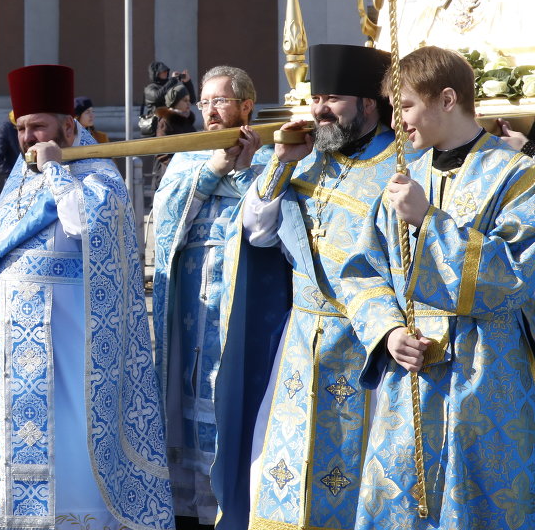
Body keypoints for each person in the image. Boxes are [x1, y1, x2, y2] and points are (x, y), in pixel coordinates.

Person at [0, 64, 173, 530]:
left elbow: (85, 226)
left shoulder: (100, 174)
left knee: (69, 445)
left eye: (37, 125)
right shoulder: (19, 180)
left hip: (68, 350)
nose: (27, 137)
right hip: (4, 356)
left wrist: (59, 170)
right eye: (20, 127)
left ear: (69, 126)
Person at [335, 46, 535, 528]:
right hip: (411, 382)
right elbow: (363, 272)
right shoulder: (403, 179)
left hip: (486, 381)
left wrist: (430, 221)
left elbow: (514, 278)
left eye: (404, 105)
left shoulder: (517, 177)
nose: (397, 119)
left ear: (447, 99)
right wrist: (386, 332)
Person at [213, 44, 401, 530]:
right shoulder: (309, 159)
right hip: (300, 340)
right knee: (282, 468)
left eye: (332, 98)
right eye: (315, 98)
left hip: (367, 348)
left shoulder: (401, 168)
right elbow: (257, 229)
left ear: (368, 104)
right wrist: (281, 163)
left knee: (357, 473)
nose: (318, 110)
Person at [151, 65, 266, 529]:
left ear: (246, 107)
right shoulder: (184, 156)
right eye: (205, 102)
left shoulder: (266, 158)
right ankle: (191, 510)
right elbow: (163, 218)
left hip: (239, 299)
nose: (211, 111)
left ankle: (232, 501)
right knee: (188, 388)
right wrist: (213, 170)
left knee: (231, 393)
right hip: (189, 304)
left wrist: (236, 173)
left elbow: (266, 222)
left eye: (220, 101)